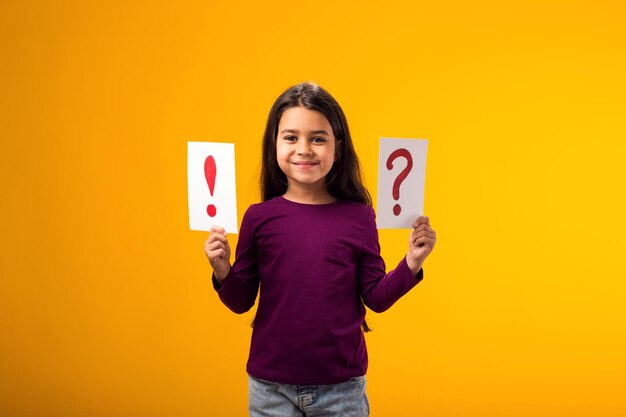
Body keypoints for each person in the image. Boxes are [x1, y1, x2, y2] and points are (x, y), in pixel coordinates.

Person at [204, 82, 437, 416]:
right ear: (274, 145)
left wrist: (411, 262)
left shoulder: (359, 217)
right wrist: (222, 269)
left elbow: (376, 298)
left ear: (337, 148)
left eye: (318, 138)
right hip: (270, 389)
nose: (304, 149)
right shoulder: (258, 218)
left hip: (342, 388)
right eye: (291, 137)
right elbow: (241, 302)